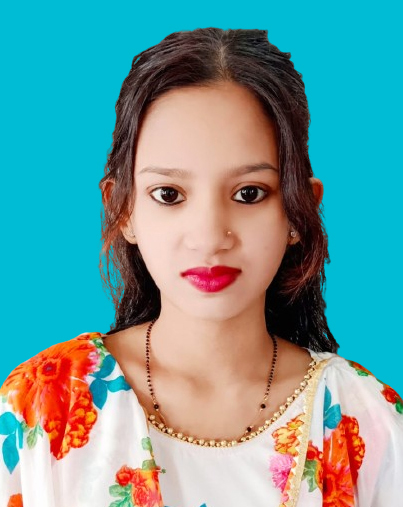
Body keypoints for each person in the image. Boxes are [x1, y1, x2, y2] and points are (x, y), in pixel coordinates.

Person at [0, 27, 402, 507]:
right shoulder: (41, 406)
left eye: (249, 194)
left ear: (299, 213)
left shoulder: (370, 424)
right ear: (122, 210)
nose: (210, 236)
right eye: (169, 194)